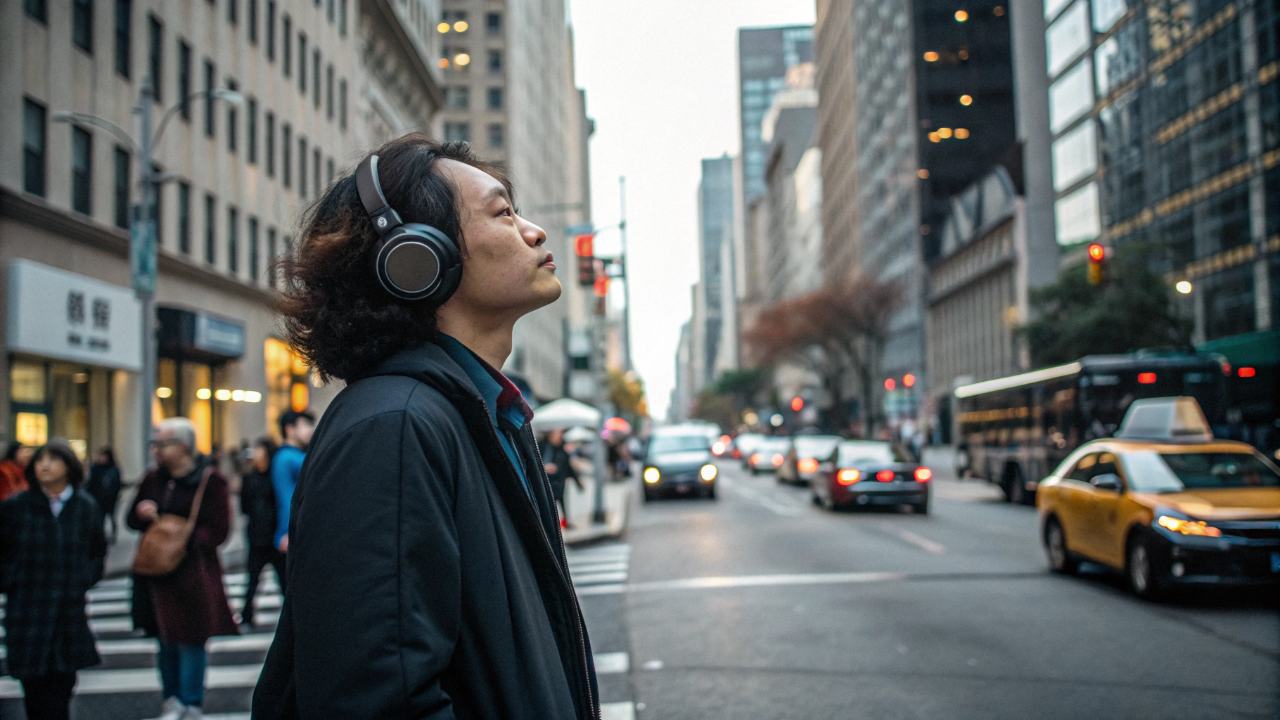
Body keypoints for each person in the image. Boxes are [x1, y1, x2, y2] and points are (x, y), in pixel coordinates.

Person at [253, 135, 600, 719]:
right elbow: (375, 703)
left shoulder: (474, 416)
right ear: (417, 258)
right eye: (503, 213)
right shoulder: (394, 429)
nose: (535, 232)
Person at [128, 417, 238, 720]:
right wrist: (144, 514)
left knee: (191, 639)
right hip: (156, 572)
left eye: (162, 443)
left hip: (194, 573)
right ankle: (172, 698)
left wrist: (179, 535)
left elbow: (219, 529)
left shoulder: (210, 481)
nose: (157, 451)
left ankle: (190, 701)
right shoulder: (153, 480)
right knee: (164, 639)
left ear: (184, 446)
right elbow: (132, 520)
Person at [0, 441, 106, 720]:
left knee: (62, 683)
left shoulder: (85, 506)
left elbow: (96, 551)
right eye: (39, 460)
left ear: (69, 466)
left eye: (53, 460)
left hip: (67, 609)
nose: (44, 466)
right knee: (34, 685)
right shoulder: (16, 507)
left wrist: (81, 579)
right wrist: (13, 579)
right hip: (27, 609)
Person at [239, 436, 284, 629]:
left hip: (275, 536)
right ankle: (247, 616)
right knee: (252, 580)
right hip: (257, 536)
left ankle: (291, 619)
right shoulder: (249, 478)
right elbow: (244, 506)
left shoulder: (276, 476)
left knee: (284, 580)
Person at [271, 410, 314, 554]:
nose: (310, 430)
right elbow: (285, 497)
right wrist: (286, 532)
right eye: (305, 425)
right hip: (292, 533)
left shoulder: (291, 456)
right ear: (289, 429)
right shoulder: (286, 458)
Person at [543, 428, 584, 529]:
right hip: (547, 481)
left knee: (561, 502)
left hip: (559, 481)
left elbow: (568, 467)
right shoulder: (543, 447)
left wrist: (578, 482)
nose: (558, 437)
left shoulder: (562, 450)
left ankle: (563, 523)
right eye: (556, 434)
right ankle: (553, 524)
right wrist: (545, 468)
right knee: (550, 504)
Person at [85, 447, 123, 543]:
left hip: (111, 499)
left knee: (112, 517)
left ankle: (113, 534)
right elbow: (91, 483)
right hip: (98, 499)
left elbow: (117, 483)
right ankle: (101, 536)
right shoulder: (96, 468)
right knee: (100, 519)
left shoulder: (114, 469)